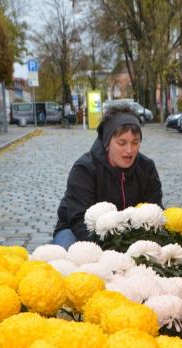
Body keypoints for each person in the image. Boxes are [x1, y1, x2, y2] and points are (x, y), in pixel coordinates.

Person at [53, 103, 163, 248]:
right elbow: (78, 220)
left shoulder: (146, 168)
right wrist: (110, 248)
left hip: (130, 234)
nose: (129, 150)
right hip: (77, 230)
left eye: (135, 143)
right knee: (71, 252)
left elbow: (155, 210)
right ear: (107, 143)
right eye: (122, 143)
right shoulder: (84, 169)